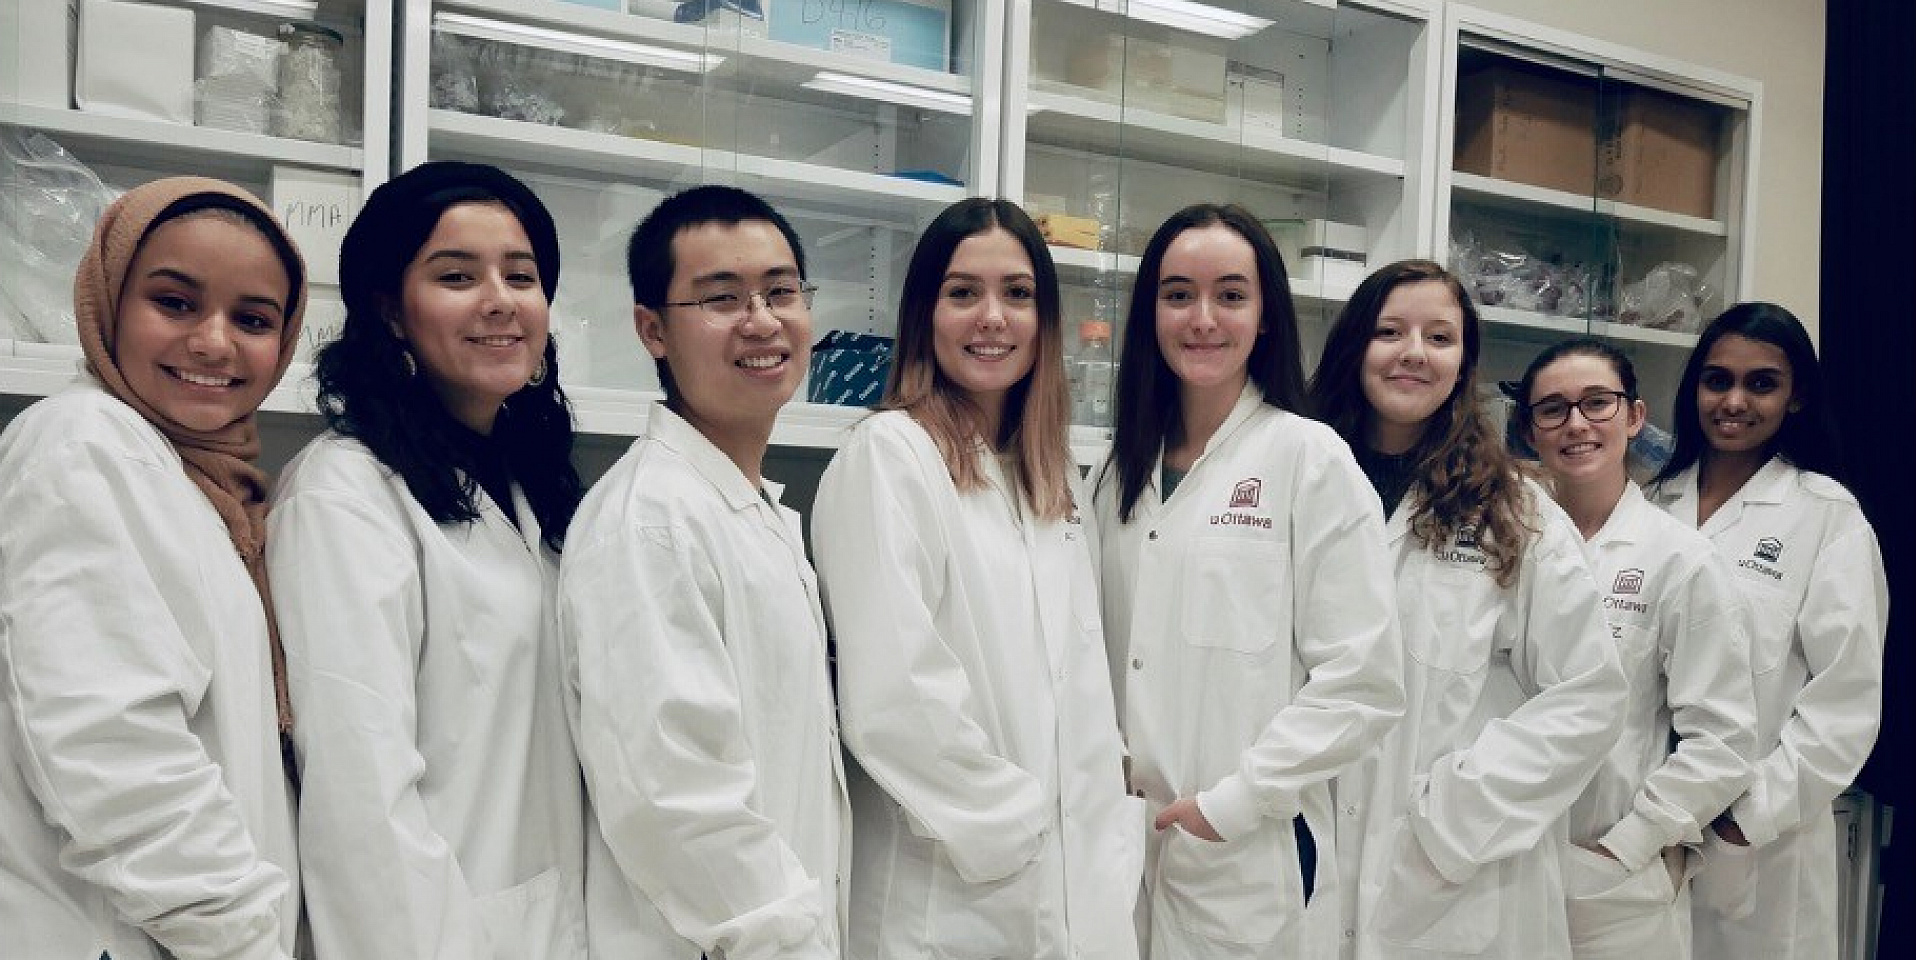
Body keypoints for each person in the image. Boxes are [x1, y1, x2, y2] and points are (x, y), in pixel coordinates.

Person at [266, 161, 589, 958]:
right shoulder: (345, 493)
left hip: (550, 918)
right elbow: (359, 801)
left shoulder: (526, 485)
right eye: (456, 276)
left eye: (522, 275)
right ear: (390, 310)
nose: (500, 299)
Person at [812, 197, 1141, 960]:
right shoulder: (889, 457)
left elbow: (1078, 682)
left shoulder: (1051, 473)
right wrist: (1023, 825)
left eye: (1018, 294)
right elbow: (896, 700)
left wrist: (1090, 823)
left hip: (1069, 886)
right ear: (926, 313)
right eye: (963, 293)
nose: (993, 317)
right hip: (953, 892)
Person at [0, 177, 305, 959]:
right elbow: (114, 749)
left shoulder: (201, 485)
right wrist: (241, 941)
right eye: (174, 302)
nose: (214, 341)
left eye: (253, 319)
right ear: (106, 297)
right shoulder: (82, 446)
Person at [1089, 203, 1404, 959]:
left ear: (1264, 317)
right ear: (1150, 314)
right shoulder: (1115, 471)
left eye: (1230, 295)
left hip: (1245, 854)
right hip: (1121, 848)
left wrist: (1232, 803)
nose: (1203, 318)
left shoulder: (1310, 460)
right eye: (1177, 295)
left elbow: (1363, 680)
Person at [559, 185, 848, 959]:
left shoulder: (745, 510)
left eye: (781, 291)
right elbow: (675, 800)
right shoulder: (648, 523)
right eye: (721, 298)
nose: (761, 320)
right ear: (652, 329)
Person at [1309, 259, 1628, 960]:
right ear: (1354, 346)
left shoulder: (1514, 512)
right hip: (1307, 850)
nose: (1414, 352)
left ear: (1464, 364)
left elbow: (1590, 694)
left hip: (1455, 873)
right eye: (1390, 331)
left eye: (1440, 337)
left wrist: (1456, 813)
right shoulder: (1303, 485)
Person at [1645, 303, 1886, 960]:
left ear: (1796, 397)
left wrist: (1745, 820)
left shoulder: (1825, 516)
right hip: (1643, 825)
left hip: (1754, 841)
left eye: (1761, 383)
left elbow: (1846, 702)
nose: (1733, 401)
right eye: (1717, 380)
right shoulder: (1653, 505)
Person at [1513, 338, 1757, 960]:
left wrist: (1627, 844)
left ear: (1634, 417)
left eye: (1597, 403)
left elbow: (1723, 739)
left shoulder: (1680, 560)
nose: (1575, 424)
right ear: (1530, 430)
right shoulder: (1507, 544)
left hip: (1612, 879)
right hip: (1501, 857)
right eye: (1552, 409)